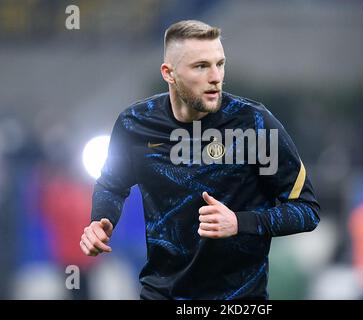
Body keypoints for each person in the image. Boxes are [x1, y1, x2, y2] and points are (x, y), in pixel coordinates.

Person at [80, 20, 320, 300]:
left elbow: (306, 210)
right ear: (169, 73)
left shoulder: (254, 124)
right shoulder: (135, 125)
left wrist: (240, 222)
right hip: (161, 295)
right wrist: (101, 219)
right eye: (201, 66)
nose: (216, 76)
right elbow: (111, 185)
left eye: (220, 64)